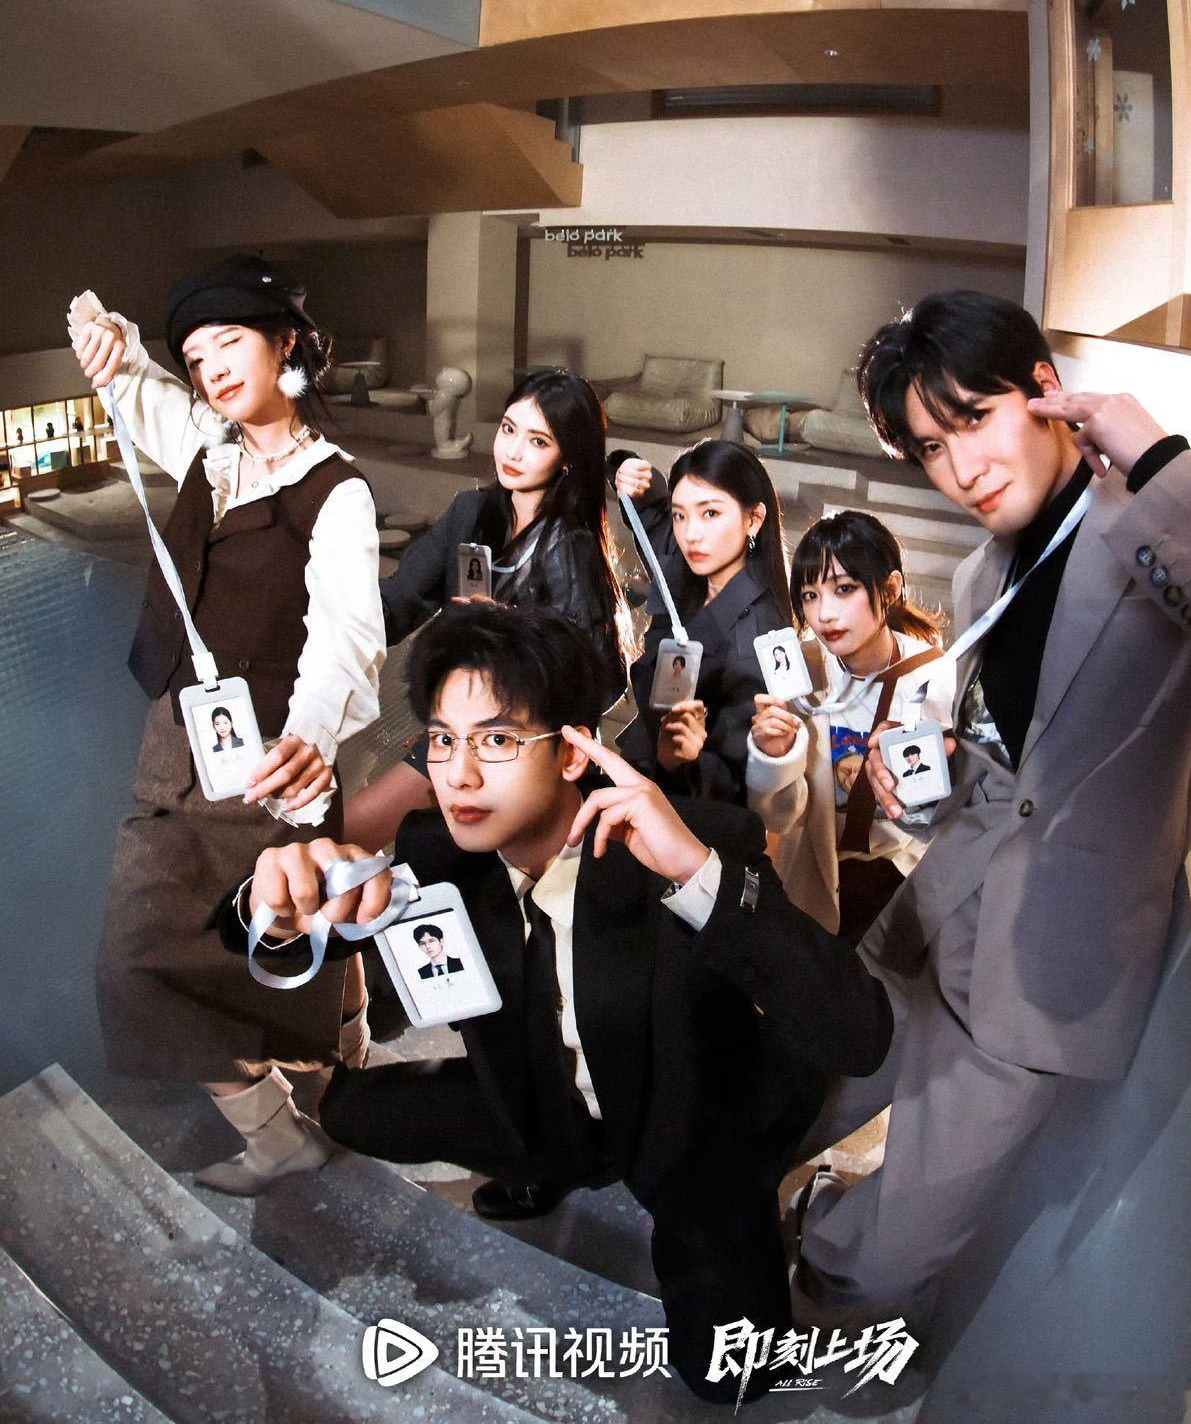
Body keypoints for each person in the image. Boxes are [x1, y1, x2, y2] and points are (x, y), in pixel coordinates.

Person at [211, 603, 894, 1404]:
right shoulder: (440, 852)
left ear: (573, 752)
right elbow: (277, 929)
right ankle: (554, 1161)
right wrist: (273, 904)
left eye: (498, 741)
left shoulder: (683, 840)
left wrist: (696, 874)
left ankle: (713, 1205)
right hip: (547, 1099)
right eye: (443, 740)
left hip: (693, 1130)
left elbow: (859, 1034)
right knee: (354, 1111)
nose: (459, 776)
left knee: (730, 1377)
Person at [794, 290, 1191, 1339]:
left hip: (1047, 971)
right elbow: (1015, 765)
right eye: (931, 449)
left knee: (888, 1248)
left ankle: (809, 1282)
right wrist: (929, 788)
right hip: (936, 914)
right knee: (798, 1091)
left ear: (1047, 390)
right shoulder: (982, 573)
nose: (961, 469)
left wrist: (1157, 463)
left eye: (975, 419)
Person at [70, 254, 385, 1195]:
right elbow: (136, 384)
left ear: (285, 344)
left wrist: (313, 736)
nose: (210, 368)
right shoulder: (209, 453)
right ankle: (285, 1130)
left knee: (284, 942)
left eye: (229, 343)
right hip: (178, 750)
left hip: (274, 763)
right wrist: (104, 335)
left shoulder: (336, 490)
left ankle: (334, 1085)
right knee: (137, 962)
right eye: (197, 356)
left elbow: (347, 635)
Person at [351, 369, 630, 853]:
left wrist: (510, 633)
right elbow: (398, 602)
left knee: (356, 829)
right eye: (508, 429)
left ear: (568, 457)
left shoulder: (570, 546)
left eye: (538, 441)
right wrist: (328, 616)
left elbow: (600, 680)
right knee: (361, 824)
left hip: (517, 743)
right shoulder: (470, 512)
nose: (513, 452)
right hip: (457, 725)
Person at [746, 509, 952, 939]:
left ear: (890, 589)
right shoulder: (799, 672)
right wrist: (774, 757)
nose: (824, 614)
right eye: (810, 595)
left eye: (843, 589)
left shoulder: (937, 678)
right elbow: (780, 818)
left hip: (905, 888)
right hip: (813, 886)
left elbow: (947, 818)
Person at [612, 439, 791, 803]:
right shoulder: (686, 564)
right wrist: (626, 466)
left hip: (685, 805)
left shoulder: (757, 636)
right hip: (637, 772)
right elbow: (652, 515)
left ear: (753, 519)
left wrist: (677, 763)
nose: (690, 533)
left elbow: (738, 778)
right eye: (681, 515)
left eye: (710, 513)